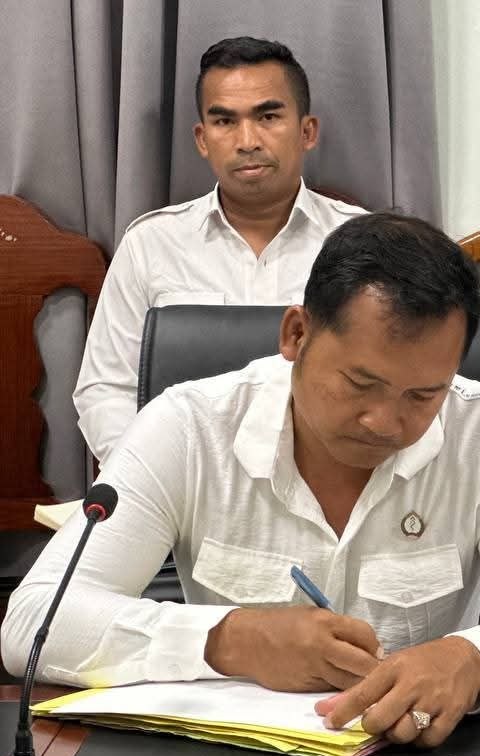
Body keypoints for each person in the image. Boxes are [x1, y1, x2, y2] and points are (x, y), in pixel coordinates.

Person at [3, 212, 480, 748]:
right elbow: (33, 623)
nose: (386, 422)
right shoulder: (189, 426)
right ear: (296, 334)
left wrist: (473, 658)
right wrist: (229, 640)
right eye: (360, 384)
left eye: (423, 395)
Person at [74, 36, 365, 463]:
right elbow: (107, 389)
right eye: (225, 121)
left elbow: (393, 378)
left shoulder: (364, 246)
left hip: (327, 477)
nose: (247, 140)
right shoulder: (151, 245)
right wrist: (151, 475)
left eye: (268, 116)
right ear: (202, 139)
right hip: (182, 478)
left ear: (307, 132)